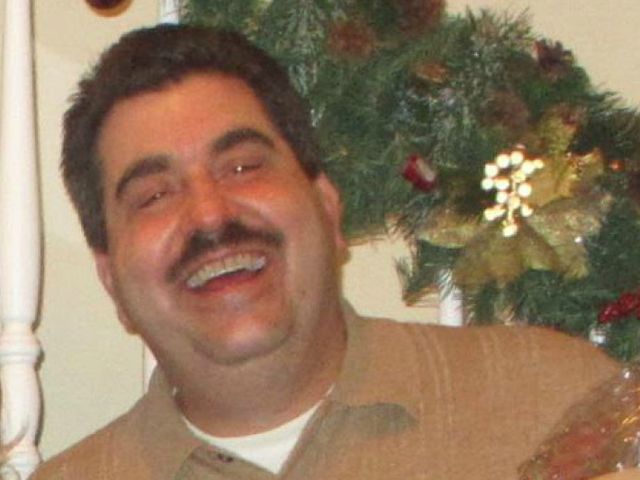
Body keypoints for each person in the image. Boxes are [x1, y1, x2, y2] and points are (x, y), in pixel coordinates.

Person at [31, 24, 619, 480]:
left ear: (329, 208)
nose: (209, 215)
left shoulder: (556, 402)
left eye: (242, 166)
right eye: (155, 196)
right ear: (111, 282)